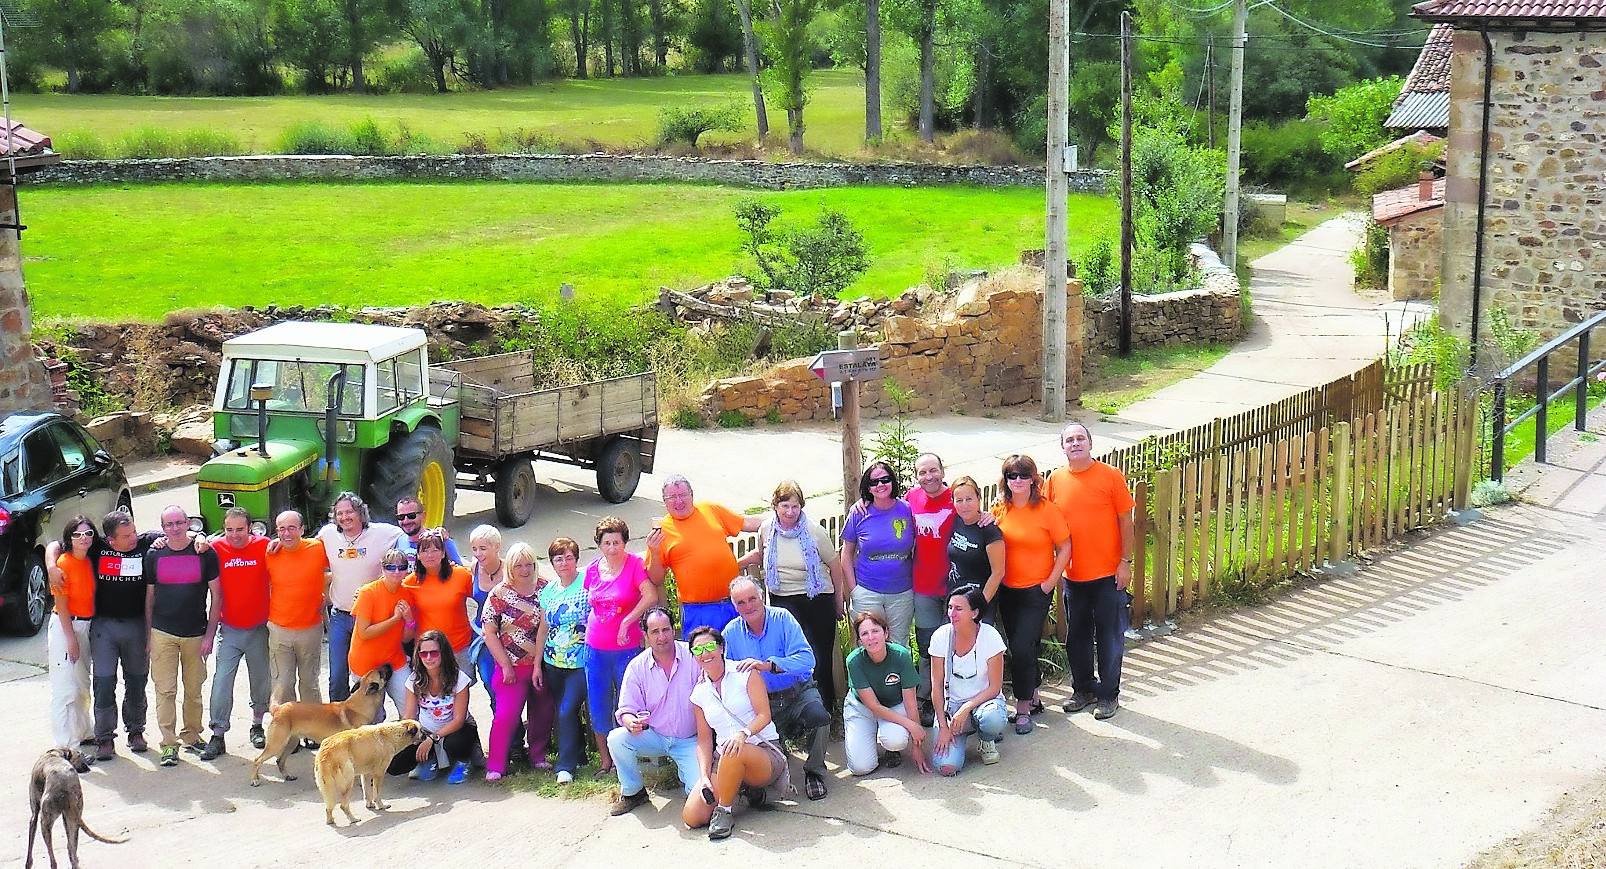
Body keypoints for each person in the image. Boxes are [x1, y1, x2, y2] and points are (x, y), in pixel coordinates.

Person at [45, 509, 179, 761]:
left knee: (136, 681)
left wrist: (198, 536)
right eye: (125, 536)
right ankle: (105, 737)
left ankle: (136, 731)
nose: (132, 538)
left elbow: (179, 532)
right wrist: (51, 565)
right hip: (104, 627)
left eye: (133, 532)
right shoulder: (96, 548)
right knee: (104, 682)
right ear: (109, 540)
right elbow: (55, 543)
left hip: (136, 625)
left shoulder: (146, 543)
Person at [1045, 422, 1137, 721]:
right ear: (1063, 447)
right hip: (1073, 575)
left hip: (1108, 574)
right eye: (1069, 440)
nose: (1075, 443)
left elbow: (1126, 521)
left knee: (1110, 637)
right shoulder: (1055, 480)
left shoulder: (1110, 476)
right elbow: (1043, 517)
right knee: (1077, 637)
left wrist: (1125, 562)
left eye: (1080, 438)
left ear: (1090, 443)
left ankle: (1109, 695)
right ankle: (1083, 689)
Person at [722, 577, 832, 801]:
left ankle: (814, 772)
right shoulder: (730, 634)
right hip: (763, 704)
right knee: (755, 747)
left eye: (752, 598)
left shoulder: (782, 618)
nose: (748, 606)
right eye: (741, 602)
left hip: (798, 691)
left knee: (820, 718)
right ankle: (760, 780)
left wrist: (770, 665)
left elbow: (807, 660)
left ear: (762, 596)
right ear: (734, 606)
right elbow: (727, 675)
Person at [740, 481, 845, 704]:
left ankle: (825, 710)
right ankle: (793, 707)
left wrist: (838, 602)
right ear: (775, 506)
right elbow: (761, 555)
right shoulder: (766, 529)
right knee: (787, 655)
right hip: (782, 598)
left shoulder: (815, 531)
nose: (790, 512)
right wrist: (732, 564)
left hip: (817, 598)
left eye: (795, 507)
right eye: (785, 506)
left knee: (819, 656)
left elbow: (835, 565)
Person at [681, 626, 790, 841]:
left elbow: (764, 715)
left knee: (733, 749)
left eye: (710, 646)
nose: (705, 654)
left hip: (762, 750)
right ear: (693, 656)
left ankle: (725, 811)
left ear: (721, 648)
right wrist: (704, 777)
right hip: (724, 757)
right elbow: (704, 740)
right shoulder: (699, 693)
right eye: (698, 650)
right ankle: (744, 790)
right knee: (692, 817)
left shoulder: (746, 674)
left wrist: (743, 734)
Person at [992, 454, 1071, 735]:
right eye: (1012, 476)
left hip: (1036, 590)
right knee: (1021, 645)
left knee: (1023, 647)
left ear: (1034, 479)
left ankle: (1023, 707)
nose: (1018, 481)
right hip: (1007, 589)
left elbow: (1065, 548)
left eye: (1023, 475)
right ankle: (1034, 696)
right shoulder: (1001, 509)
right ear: (1006, 480)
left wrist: (1050, 582)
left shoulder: (1047, 510)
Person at [145, 505, 222, 768]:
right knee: (165, 690)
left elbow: (217, 596)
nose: (175, 528)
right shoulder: (154, 554)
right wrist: (148, 634)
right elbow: (150, 597)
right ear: (163, 528)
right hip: (162, 633)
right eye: (169, 525)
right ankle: (168, 744)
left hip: (196, 634)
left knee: (194, 690)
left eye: (179, 523)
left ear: (188, 523)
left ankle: (192, 735)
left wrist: (210, 635)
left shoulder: (205, 553)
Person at [309, 492, 404, 702]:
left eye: (349, 511)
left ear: (361, 512)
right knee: (337, 677)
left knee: (369, 675)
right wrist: (277, 543)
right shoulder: (328, 534)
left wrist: (440, 537)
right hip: (339, 617)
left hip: (370, 618)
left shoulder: (383, 533)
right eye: (339, 513)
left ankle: (372, 720)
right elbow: (304, 549)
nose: (344, 517)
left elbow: (411, 535)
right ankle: (339, 730)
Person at [608, 607, 702, 815]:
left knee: (700, 795)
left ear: (673, 629)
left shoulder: (693, 655)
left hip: (690, 740)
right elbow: (625, 709)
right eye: (655, 632)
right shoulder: (637, 666)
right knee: (617, 739)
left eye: (666, 630)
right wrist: (630, 720)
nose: (662, 637)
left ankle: (686, 775)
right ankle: (634, 792)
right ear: (646, 635)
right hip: (655, 736)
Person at [645, 474, 763, 638]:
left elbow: (746, 523)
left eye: (683, 495)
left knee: (740, 657)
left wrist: (780, 521)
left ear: (692, 495)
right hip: (698, 610)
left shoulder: (710, 509)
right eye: (672, 497)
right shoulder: (662, 532)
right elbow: (656, 579)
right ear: (664, 502)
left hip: (735, 603)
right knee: (703, 658)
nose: (678, 501)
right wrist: (655, 553)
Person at [202, 507, 274, 760]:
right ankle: (218, 733)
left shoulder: (265, 546)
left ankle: (257, 724)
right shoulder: (216, 548)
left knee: (260, 679)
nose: (234, 535)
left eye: (240, 529)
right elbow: (192, 540)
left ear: (250, 528)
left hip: (259, 628)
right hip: (229, 629)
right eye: (229, 529)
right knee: (221, 681)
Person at [584, 519, 655, 774]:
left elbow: (650, 595)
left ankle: (631, 755)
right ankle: (606, 761)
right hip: (595, 648)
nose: (612, 547)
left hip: (626, 648)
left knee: (629, 702)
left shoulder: (634, 564)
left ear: (625, 542)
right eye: (607, 543)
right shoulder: (593, 569)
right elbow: (590, 604)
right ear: (599, 545)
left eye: (617, 542)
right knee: (598, 702)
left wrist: (628, 620)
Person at [481, 541, 552, 781]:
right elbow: (489, 632)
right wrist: (504, 665)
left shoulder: (546, 589)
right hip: (510, 667)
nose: (525, 569)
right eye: (519, 565)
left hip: (540, 665)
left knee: (542, 712)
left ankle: (538, 756)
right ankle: (496, 765)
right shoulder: (499, 594)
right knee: (505, 716)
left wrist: (539, 664)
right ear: (510, 566)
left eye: (529, 564)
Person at [928, 585, 1008, 776]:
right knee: (946, 767)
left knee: (993, 719)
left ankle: (986, 739)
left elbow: (995, 687)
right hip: (951, 709)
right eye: (950, 607)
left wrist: (967, 708)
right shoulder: (940, 637)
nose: (951, 613)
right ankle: (957, 740)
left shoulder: (990, 636)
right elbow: (936, 687)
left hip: (984, 703)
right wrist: (943, 725)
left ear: (975, 613)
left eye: (958, 609)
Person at [387, 630, 481, 785]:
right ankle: (431, 759)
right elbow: (409, 717)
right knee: (394, 764)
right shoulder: (413, 681)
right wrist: (396, 741)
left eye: (434, 653)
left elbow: (458, 720)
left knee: (455, 743)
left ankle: (463, 761)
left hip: (456, 730)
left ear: (443, 653)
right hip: (425, 731)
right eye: (424, 654)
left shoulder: (460, 679)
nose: (429, 658)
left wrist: (432, 739)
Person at [840, 461, 917, 649]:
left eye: (885, 479)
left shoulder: (907, 509)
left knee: (899, 645)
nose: (880, 485)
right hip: (867, 591)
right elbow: (846, 553)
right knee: (869, 644)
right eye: (874, 482)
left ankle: (899, 680)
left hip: (901, 592)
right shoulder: (859, 512)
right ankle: (867, 680)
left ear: (893, 482)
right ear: (868, 487)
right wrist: (854, 590)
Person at [843, 611, 931, 776]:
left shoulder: (901, 655)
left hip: (894, 703)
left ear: (886, 632)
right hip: (862, 707)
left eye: (875, 631)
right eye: (864, 634)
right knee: (861, 768)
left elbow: (910, 703)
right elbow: (874, 706)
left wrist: (917, 747)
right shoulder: (853, 661)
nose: (871, 637)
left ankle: (891, 747)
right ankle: (869, 737)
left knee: (895, 740)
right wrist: (912, 726)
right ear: (860, 641)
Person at [539, 537, 590, 785]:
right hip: (553, 662)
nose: (564, 563)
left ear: (576, 560)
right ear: (552, 563)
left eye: (569, 557)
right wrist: (538, 663)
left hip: (580, 661)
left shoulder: (587, 583)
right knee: (564, 711)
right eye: (559, 558)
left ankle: (565, 765)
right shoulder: (548, 591)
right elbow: (543, 628)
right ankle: (579, 754)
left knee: (567, 709)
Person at [264, 510, 328, 708]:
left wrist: (328, 595)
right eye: (282, 529)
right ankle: (288, 738)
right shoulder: (269, 553)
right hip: (279, 630)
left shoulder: (317, 548)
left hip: (310, 629)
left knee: (310, 684)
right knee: (283, 685)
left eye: (292, 528)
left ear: (302, 529)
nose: (287, 534)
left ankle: (313, 733)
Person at [48, 515, 97, 751]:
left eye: (88, 533)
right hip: (64, 626)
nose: (83, 538)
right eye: (77, 534)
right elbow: (62, 604)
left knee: (81, 685)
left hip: (85, 626)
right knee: (64, 688)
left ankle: (84, 732)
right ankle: (66, 746)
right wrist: (70, 639)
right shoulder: (63, 564)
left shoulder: (90, 560)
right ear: (69, 538)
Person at [348, 548, 415, 719]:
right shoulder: (368, 593)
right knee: (370, 719)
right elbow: (364, 633)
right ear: (382, 568)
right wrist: (395, 619)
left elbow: (406, 638)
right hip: (365, 665)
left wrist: (408, 620)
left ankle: (411, 746)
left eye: (401, 567)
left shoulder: (407, 593)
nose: (396, 572)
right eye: (390, 567)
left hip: (394, 659)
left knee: (411, 712)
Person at [403, 528, 475, 679]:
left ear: (443, 553)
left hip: (459, 648)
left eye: (435, 550)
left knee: (461, 697)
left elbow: (484, 595)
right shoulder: (409, 583)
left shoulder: (461, 575)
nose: (430, 555)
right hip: (427, 652)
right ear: (418, 555)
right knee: (432, 698)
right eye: (425, 551)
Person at [945, 475, 1005, 619]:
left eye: (969, 499)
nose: (964, 505)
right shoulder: (956, 521)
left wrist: (979, 606)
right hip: (955, 598)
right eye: (959, 500)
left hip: (979, 603)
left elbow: (998, 573)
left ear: (978, 498)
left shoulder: (990, 530)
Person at [465, 525, 506, 700]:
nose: (478, 553)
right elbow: (453, 563)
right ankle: (499, 717)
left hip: (508, 634)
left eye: (483, 548)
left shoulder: (510, 569)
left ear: (497, 547)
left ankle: (512, 722)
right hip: (482, 635)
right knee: (489, 680)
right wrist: (447, 541)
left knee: (509, 682)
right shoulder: (475, 567)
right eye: (474, 549)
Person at [393, 496, 462, 568]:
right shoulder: (399, 540)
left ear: (423, 516)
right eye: (401, 517)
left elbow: (461, 573)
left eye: (411, 516)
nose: (406, 521)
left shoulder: (441, 540)